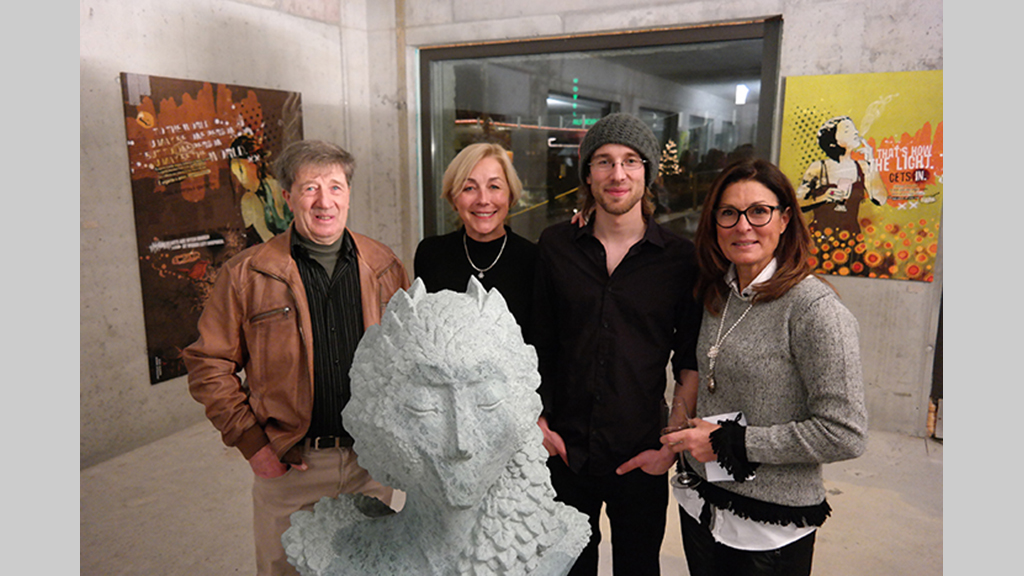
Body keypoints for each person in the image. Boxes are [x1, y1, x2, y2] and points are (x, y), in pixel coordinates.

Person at [182, 139, 410, 576]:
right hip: (292, 467)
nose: (325, 201)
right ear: (287, 197)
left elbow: (407, 354)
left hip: (370, 465)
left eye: (335, 187)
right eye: (310, 188)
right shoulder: (246, 274)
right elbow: (208, 364)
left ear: (349, 194)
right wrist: (254, 445)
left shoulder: (384, 266)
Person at [283, 278, 590, 575]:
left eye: (487, 402)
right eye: (424, 406)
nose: (461, 442)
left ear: (521, 408)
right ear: (377, 416)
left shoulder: (557, 538)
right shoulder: (333, 549)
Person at [662, 158, 868, 576]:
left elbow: (845, 433)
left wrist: (732, 443)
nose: (743, 226)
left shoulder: (814, 310)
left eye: (759, 211)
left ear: (785, 219)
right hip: (701, 505)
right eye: (728, 213)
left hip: (768, 528)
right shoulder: (717, 293)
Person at [530, 112, 702, 576]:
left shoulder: (680, 259)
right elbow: (538, 343)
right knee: (565, 569)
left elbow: (689, 360)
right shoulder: (556, 246)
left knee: (638, 569)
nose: (617, 174)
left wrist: (670, 445)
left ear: (648, 172)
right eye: (604, 161)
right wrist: (539, 422)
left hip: (641, 453)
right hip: (565, 451)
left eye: (630, 161)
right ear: (587, 174)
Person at [414, 142, 537, 333]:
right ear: (454, 198)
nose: (483, 200)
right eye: (469, 188)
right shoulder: (430, 254)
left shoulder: (535, 260)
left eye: (494, 186)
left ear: (510, 195)